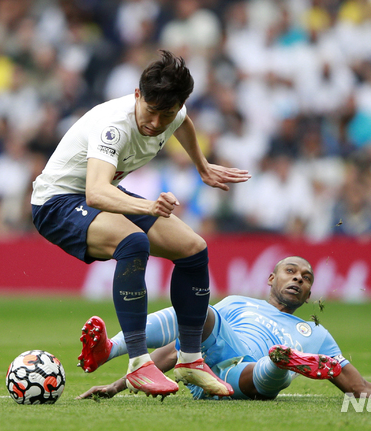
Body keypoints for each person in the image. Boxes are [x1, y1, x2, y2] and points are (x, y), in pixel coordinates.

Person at [31, 50, 251, 398]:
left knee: (193, 249)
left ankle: (191, 360)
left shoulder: (173, 113)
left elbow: (184, 123)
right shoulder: (114, 127)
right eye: (150, 112)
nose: (156, 123)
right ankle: (137, 364)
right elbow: (95, 193)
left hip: (103, 193)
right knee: (134, 242)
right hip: (57, 203)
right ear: (137, 95)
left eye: (166, 114)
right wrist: (148, 206)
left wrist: (202, 165)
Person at [76, 256, 371, 401]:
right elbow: (174, 348)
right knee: (201, 312)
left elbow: (360, 390)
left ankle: (280, 364)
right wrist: (116, 386)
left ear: (308, 295)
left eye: (306, 278)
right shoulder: (237, 303)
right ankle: (108, 351)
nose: (299, 280)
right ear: (270, 278)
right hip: (207, 366)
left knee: (272, 372)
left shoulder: (316, 334)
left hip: (243, 380)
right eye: (291, 271)